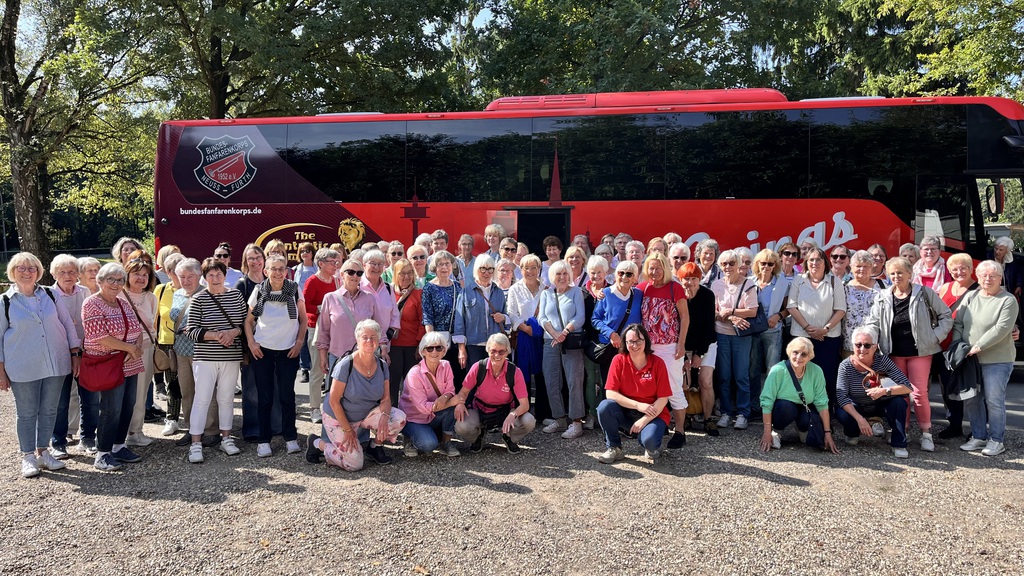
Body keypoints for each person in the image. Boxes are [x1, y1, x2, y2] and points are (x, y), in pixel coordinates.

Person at [0, 253, 81, 477]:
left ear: (39, 271)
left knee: (49, 409)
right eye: (21, 268)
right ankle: (28, 456)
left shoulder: (50, 295)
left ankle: (43, 451)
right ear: (12, 271)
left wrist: (75, 352)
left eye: (32, 268)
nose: (27, 272)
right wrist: (1, 371)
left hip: (55, 362)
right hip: (22, 366)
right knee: (27, 412)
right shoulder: (5, 301)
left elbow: (67, 324)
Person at [866, 256, 951, 451]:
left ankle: (926, 433)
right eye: (892, 273)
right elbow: (873, 321)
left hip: (920, 352)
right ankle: (901, 431)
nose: (896, 276)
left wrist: (934, 337)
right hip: (894, 353)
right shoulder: (883, 296)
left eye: (900, 273)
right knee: (900, 393)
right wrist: (870, 339)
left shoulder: (925, 293)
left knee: (919, 393)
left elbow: (946, 316)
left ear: (910, 274)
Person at [306, 320, 407, 469]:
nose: (369, 341)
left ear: (379, 340)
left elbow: (386, 398)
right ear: (357, 339)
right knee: (354, 464)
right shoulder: (346, 365)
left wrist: (384, 417)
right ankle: (317, 443)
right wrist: (347, 430)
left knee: (398, 419)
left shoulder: (382, 365)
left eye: (373, 337)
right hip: (339, 418)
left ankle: (375, 447)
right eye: (365, 337)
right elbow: (334, 401)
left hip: (365, 415)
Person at [184, 257, 248, 464]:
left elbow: (245, 323)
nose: (215, 278)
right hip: (205, 358)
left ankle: (226, 438)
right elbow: (191, 330)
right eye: (210, 275)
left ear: (224, 275)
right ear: (205, 278)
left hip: (231, 356)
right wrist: (217, 335)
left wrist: (234, 332)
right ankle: (195, 443)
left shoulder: (236, 296)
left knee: (226, 399)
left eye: (218, 274)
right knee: (202, 399)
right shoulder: (198, 299)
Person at [82, 263, 145, 471]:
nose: (116, 284)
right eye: (111, 279)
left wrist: (134, 349)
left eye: (120, 280)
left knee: (128, 405)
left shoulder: (123, 303)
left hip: (129, 362)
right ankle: (102, 453)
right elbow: (99, 336)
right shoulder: (91, 303)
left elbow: (136, 329)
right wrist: (129, 348)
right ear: (100, 281)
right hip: (109, 363)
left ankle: (118, 446)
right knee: (111, 407)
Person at [244, 254, 307, 458]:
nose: (278, 273)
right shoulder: (259, 291)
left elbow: (304, 320)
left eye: (282, 268)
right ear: (266, 271)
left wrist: (299, 343)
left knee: (287, 396)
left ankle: (290, 437)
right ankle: (264, 440)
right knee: (265, 397)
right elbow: (249, 321)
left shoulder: (294, 289)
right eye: (274, 269)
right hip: (263, 351)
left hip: (288, 351)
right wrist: (252, 343)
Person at [955, 260, 1019, 457]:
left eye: (993, 276)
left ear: (1000, 278)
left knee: (993, 400)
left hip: (997, 359)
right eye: (983, 275)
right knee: (972, 399)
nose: (988, 279)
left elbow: (1002, 328)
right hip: (970, 358)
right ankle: (979, 436)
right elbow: (958, 322)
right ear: (978, 277)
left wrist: (978, 346)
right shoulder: (971, 296)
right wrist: (958, 345)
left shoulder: (1007, 300)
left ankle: (996, 440)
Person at [596, 324, 672, 464]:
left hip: (652, 413)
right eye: (630, 341)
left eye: (639, 341)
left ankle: (650, 445)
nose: (635, 345)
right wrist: (638, 405)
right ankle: (614, 447)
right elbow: (610, 393)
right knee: (604, 407)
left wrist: (644, 420)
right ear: (625, 343)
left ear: (646, 341)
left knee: (650, 442)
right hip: (627, 411)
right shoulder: (618, 360)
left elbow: (663, 399)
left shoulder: (658, 363)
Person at [637, 252, 690, 449]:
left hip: (669, 347)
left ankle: (680, 431)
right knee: (650, 388)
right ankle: (658, 424)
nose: (654, 272)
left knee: (674, 388)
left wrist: (681, 344)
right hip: (647, 348)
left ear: (665, 269)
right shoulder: (643, 288)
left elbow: (685, 317)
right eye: (651, 268)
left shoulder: (675, 288)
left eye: (658, 268)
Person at [836, 326, 914, 458]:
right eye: (858, 345)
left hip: (880, 404)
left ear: (875, 347)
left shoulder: (883, 361)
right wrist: (860, 419)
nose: (862, 349)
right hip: (857, 405)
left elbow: (907, 387)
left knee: (899, 403)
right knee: (842, 412)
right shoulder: (845, 365)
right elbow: (841, 396)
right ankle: (852, 433)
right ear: (853, 346)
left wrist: (884, 391)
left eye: (867, 345)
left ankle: (899, 443)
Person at [452, 333, 535, 453]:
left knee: (529, 421)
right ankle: (478, 437)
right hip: (480, 409)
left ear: (507, 352)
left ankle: (509, 437)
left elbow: (525, 404)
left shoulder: (515, 372)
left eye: (501, 352)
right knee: (461, 426)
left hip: (506, 410)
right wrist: (460, 403)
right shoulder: (478, 367)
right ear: (488, 351)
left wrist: (513, 414)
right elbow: (463, 392)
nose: (497, 355)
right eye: (493, 351)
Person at [787, 246, 846, 411]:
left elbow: (841, 309)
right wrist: (807, 328)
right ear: (806, 262)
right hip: (801, 336)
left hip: (828, 338)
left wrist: (825, 329)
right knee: (802, 375)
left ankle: (825, 413)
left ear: (825, 262)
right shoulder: (799, 280)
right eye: (811, 260)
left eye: (818, 259)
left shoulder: (834, 281)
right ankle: (804, 413)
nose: (814, 263)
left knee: (826, 375)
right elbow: (791, 306)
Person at [758, 337, 839, 453]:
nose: (798, 357)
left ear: (809, 356)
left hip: (805, 407)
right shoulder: (777, 370)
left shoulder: (816, 371)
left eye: (804, 354)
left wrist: (827, 433)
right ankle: (776, 431)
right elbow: (767, 401)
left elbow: (822, 403)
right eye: (795, 352)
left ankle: (802, 429)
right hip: (783, 408)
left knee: (810, 428)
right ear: (789, 352)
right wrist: (767, 433)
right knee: (786, 408)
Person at [316, 259, 390, 383]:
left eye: (359, 273)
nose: (355, 276)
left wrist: (383, 349)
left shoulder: (369, 298)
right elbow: (323, 331)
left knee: (363, 393)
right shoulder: (330, 298)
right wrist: (323, 357)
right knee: (336, 394)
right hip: (337, 357)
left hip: (365, 358)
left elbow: (379, 328)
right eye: (350, 272)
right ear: (342, 274)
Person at [537, 261, 586, 439]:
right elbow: (541, 317)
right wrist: (555, 333)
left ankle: (576, 422)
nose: (562, 277)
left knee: (574, 381)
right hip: (550, 341)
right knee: (551, 381)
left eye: (565, 273)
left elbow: (580, 317)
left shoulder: (576, 292)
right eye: (558, 274)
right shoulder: (546, 294)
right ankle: (559, 419)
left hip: (571, 341)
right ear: (552, 276)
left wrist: (564, 332)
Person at [48, 254, 90, 460]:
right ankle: (58, 442)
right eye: (62, 272)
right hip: (61, 352)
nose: (68, 276)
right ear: (54, 274)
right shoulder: (48, 295)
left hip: (86, 351)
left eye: (72, 271)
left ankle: (88, 438)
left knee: (89, 398)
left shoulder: (85, 292)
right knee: (61, 400)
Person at [712, 250, 759, 430]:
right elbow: (714, 311)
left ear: (739, 265)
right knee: (724, 376)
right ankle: (726, 412)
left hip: (741, 337)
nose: (728, 267)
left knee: (741, 376)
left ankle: (743, 413)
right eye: (724, 263)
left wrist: (731, 312)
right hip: (721, 334)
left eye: (731, 263)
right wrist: (732, 317)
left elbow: (752, 311)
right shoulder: (716, 285)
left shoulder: (748, 284)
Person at [933, 253, 979, 440]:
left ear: (971, 269)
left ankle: (978, 430)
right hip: (944, 346)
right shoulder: (946, 287)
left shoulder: (979, 289)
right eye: (954, 269)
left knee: (972, 390)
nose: (959, 272)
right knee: (948, 387)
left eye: (963, 268)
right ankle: (955, 425)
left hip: (967, 347)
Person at [398, 332, 460, 457]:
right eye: (430, 348)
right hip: (414, 418)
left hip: (433, 414)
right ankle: (409, 438)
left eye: (439, 348)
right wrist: (450, 402)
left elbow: (450, 390)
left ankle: (446, 442)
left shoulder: (446, 365)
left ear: (444, 350)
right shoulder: (415, 374)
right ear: (423, 351)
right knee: (429, 445)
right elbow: (423, 408)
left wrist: (445, 397)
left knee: (453, 406)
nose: (434, 351)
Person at [120, 255, 159, 449]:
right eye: (136, 274)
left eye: (145, 275)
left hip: (145, 349)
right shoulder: (119, 294)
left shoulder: (151, 297)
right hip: (122, 350)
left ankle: (135, 431)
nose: (141, 278)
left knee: (141, 391)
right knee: (120, 393)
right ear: (127, 274)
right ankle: (118, 432)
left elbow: (152, 325)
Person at [678, 262, 719, 436]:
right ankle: (686, 416)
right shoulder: (677, 295)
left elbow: (709, 326)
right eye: (686, 279)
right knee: (685, 384)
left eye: (694, 278)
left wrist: (699, 354)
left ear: (699, 279)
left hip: (706, 344)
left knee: (705, 382)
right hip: (684, 345)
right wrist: (685, 355)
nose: (690, 282)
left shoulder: (707, 295)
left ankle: (708, 419)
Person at [302, 247, 342, 423]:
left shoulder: (337, 281)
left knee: (335, 371)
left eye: (336, 262)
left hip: (335, 330)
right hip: (316, 329)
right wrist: (321, 308)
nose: (335, 265)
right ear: (321, 264)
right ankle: (314, 408)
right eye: (332, 262)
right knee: (318, 370)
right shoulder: (312, 281)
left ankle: (332, 407)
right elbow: (304, 304)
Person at [454, 255, 510, 374]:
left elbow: (507, 317)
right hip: (474, 345)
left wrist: (503, 317)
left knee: (495, 378)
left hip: (496, 346)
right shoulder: (466, 292)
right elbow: (459, 322)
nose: (486, 273)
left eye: (490, 269)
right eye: (483, 269)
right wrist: (461, 348)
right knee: (475, 379)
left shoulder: (499, 292)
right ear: (476, 269)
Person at [749, 249, 790, 411]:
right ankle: (754, 406)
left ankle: (768, 405)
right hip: (753, 331)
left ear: (775, 266)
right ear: (757, 264)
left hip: (772, 330)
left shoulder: (782, 283)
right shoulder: (749, 282)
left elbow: (789, 308)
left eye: (770, 264)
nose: (766, 266)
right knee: (753, 370)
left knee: (772, 370)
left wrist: (778, 316)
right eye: (763, 263)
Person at [592, 260, 644, 382]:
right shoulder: (606, 293)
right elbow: (595, 319)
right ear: (616, 275)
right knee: (611, 383)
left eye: (629, 274)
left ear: (634, 278)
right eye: (621, 273)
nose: (624, 277)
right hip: (610, 346)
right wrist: (611, 334)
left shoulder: (639, 294)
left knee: (630, 383)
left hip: (632, 347)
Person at [155, 252, 185, 436]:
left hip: (190, 343)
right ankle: (172, 418)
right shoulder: (161, 290)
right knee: (172, 383)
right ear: (167, 272)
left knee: (191, 382)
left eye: (181, 269)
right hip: (167, 343)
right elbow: (154, 317)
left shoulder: (195, 289)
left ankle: (195, 419)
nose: (179, 274)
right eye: (173, 270)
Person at [389, 258, 425, 403]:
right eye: (402, 273)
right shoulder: (388, 292)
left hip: (412, 345)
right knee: (392, 382)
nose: (406, 276)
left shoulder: (418, 293)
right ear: (395, 274)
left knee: (411, 383)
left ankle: (411, 412)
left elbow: (423, 321)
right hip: (393, 345)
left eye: (410, 273)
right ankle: (392, 411)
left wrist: (420, 344)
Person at [581, 255, 610, 429]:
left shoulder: (611, 291)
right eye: (592, 272)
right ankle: (592, 414)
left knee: (606, 380)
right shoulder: (582, 292)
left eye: (599, 272)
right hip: (588, 343)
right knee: (591, 378)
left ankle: (604, 415)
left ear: (605, 272)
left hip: (607, 343)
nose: (596, 276)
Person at [843, 251, 882, 357]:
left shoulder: (882, 286)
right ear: (851, 267)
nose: (862, 269)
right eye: (858, 266)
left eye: (866, 266)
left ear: (872, 267)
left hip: (875, 344)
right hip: (850, 344)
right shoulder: (844, 286)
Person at [292, 241, 318, 383]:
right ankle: (304, 369)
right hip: (299, 307)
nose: (305, 253)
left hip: (314, 308)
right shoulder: (295, 269)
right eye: (302, 251)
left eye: (307, 250)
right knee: (302, 339)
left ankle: (316, 367)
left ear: (312, 253)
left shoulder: (317, 268)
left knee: (313, 340)